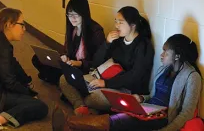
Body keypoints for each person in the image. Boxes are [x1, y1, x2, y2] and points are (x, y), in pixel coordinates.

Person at [56, 34, 202, 131]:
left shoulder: (192, 77)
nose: (162, 55)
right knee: (120, 113)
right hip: (149, 108)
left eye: (166, 52)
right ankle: (72, 124)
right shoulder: (164, 69)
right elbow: (152, 95)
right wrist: (141, 98)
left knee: (123, 119)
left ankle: (69, 123)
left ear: (177, 56)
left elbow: (186, 113)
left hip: (163, 116)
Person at [59, 6, 154, 114]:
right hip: (103, 77)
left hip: (125, 89)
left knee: (94, 98)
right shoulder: (118, 40)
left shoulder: (143, 45)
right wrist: (107, 43)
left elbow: (135, 76)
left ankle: (83, 106)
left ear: (133, 25)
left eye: (120, 22)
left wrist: (106, 83)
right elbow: (96, 62)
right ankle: (81, 106)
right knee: (64, 79)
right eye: (116, 21)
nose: (116, 25)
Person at [0, 8, 48, 130]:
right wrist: (29, 94)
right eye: (22, 25)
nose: (24, 29)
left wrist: (27, 82)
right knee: (40, 106)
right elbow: (10, 83)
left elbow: (14, 65)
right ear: (8, 25)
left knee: (26, 99)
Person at [31, 0, 105, 85]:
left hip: (83, 69)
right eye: (69, 15)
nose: (72, 19)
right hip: (70, 64)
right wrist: (64, 56)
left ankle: (56, 79)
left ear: (84, 14)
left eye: (76, 15)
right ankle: (57, 79)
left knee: (66, 76)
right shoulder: (72, 28)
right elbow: (67, 50)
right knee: (37, 58)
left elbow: (97, 61)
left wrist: (79, 63)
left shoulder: (95, 31)